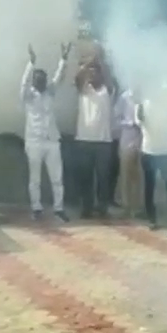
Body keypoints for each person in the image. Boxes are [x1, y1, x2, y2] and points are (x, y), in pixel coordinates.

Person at [21, 42, 72, 222]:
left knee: (57, 178)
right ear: (34, 81)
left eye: (43, 79)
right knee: (35, 178)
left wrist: (63, 59)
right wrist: (31, 63)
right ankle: (36, 207)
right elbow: (23, 83)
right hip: (34, 141)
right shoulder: (28, 96)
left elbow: (59, 77)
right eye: (38, 80)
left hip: (51, 141)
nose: (41, 83)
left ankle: (58, 208)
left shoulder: (50, 92)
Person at [137, 83, 167, 230]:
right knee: (149, 187)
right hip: (148, 151)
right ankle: (152, 219)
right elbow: (139, 120)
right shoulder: (142, 106)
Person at [74, 58, 115, 218]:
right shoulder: (84, 89)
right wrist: (85, 65)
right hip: (84, 140)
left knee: (103, 177)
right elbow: (77, 78)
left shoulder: (107, 90)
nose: (91, 75)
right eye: (89, 72)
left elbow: (111, 82)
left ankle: (102, 207)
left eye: (94, 72)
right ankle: (87, 208)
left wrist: (102, 61)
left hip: (103, 142)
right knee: (86, 177)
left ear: (100, 75)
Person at [114, 86, 143, 218]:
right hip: (128, 136)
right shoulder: (125, 98)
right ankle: (126, 206)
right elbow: (116, 118)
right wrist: (130, 123)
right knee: (125, 172)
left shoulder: (146, 97)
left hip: (143, 137)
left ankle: (138, 207)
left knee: (138, 174)